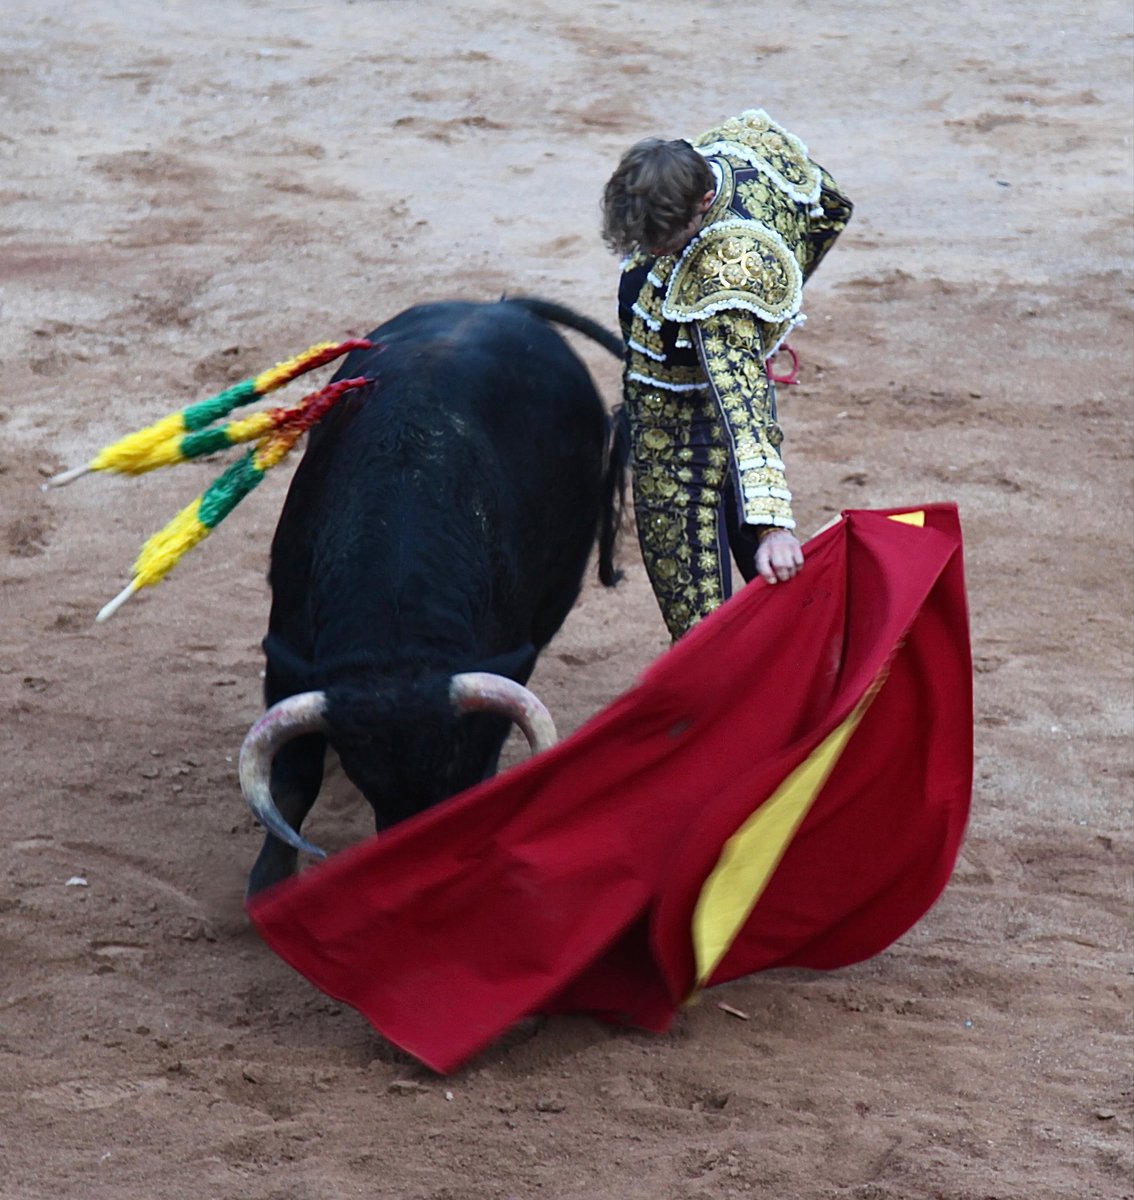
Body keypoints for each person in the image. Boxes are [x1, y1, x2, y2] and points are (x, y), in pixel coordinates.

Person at [601, 109, 852, 641]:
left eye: (665, 240)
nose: (651, 250)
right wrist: (773, 309)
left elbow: (743, 406)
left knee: (701, 635)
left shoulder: (725, 278)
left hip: (674, 428)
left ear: (705, 201)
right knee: (772, 607)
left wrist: (774, 527)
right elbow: (830, 205)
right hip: (713, 386)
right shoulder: (740, 146)